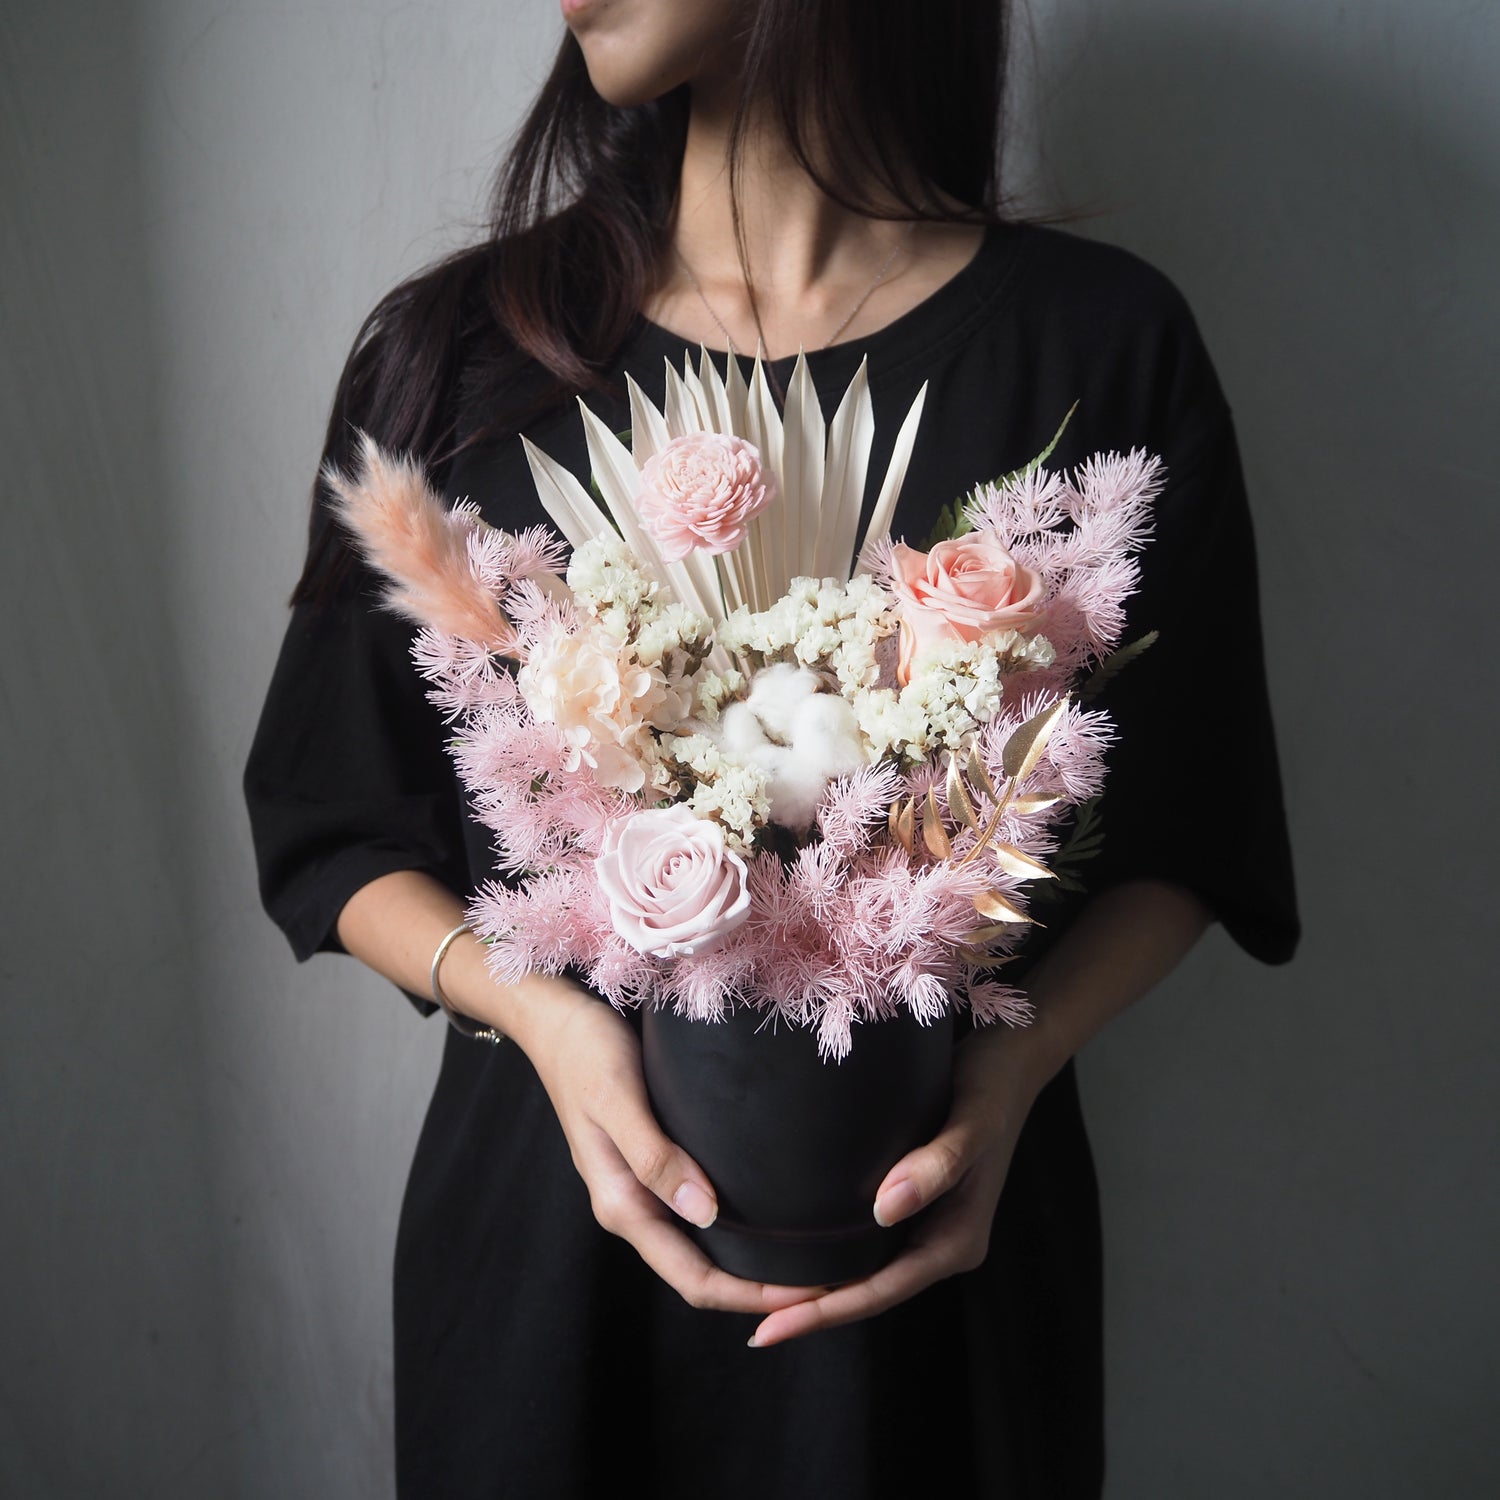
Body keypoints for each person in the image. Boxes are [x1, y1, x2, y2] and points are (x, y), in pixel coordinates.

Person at [242, 1, 1302, 1494]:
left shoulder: (1098, 344)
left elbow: (1194, 829)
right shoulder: (461, 353)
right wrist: (545, 1022)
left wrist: (1012, 1078)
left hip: (936, 1264)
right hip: (555, 1285)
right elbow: (332, 821)